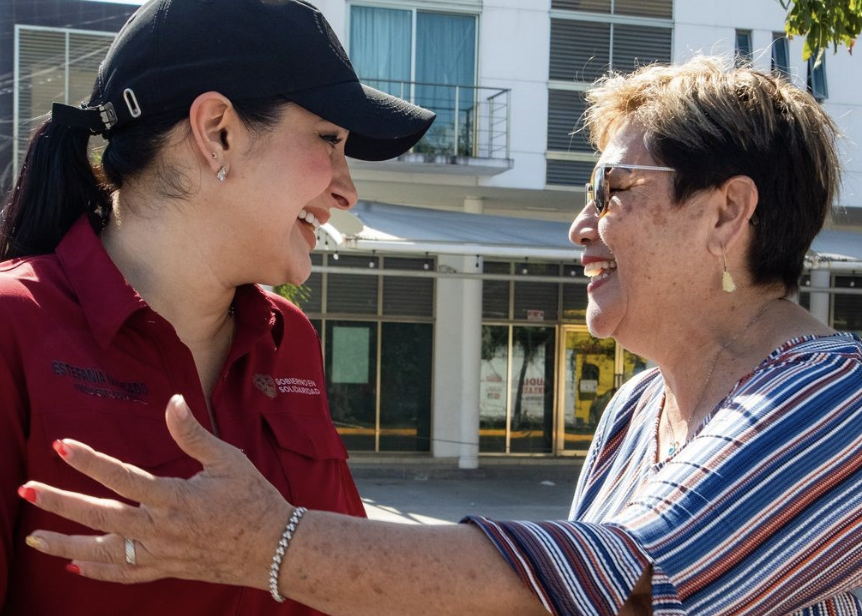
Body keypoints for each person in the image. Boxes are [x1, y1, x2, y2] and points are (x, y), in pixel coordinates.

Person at [18, 56, 862, 615]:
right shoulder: (639, 409)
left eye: (614, 190)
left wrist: (270, 545)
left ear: (727, 214)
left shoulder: (836, 398)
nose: (579, 226)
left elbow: (630, 576)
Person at [0, 0, 434, 614]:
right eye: (329, 140)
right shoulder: (12, 326)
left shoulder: (290, 339)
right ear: (217, 132)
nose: (346, 188)